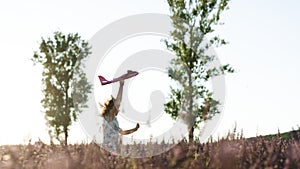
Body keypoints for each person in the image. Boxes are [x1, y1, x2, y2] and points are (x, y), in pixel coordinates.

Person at [100, 80, 140, 152]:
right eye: (117, 107)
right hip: (107, 149)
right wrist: (121, 86)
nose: (118, 109)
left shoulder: (114, 120)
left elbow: (123, 132)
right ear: (112, 108)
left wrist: (134, 129)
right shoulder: (108, 117)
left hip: (113, 150)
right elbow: (118, 101)